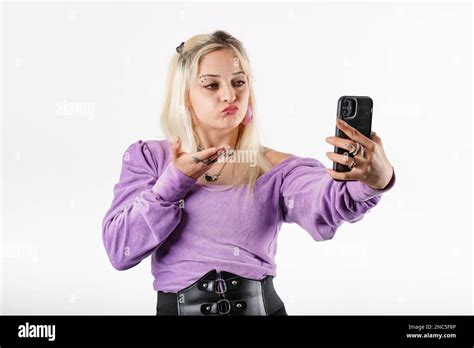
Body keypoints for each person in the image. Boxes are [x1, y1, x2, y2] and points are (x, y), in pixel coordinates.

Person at [102, 30, 396, 316]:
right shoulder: (148, 159)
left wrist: (372, 181)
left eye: (239, 82)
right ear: (185, 96)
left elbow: (327, 200)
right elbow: (119, 249)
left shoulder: (277, 168)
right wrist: (173, 183)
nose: (230, 95)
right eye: (211, 85)